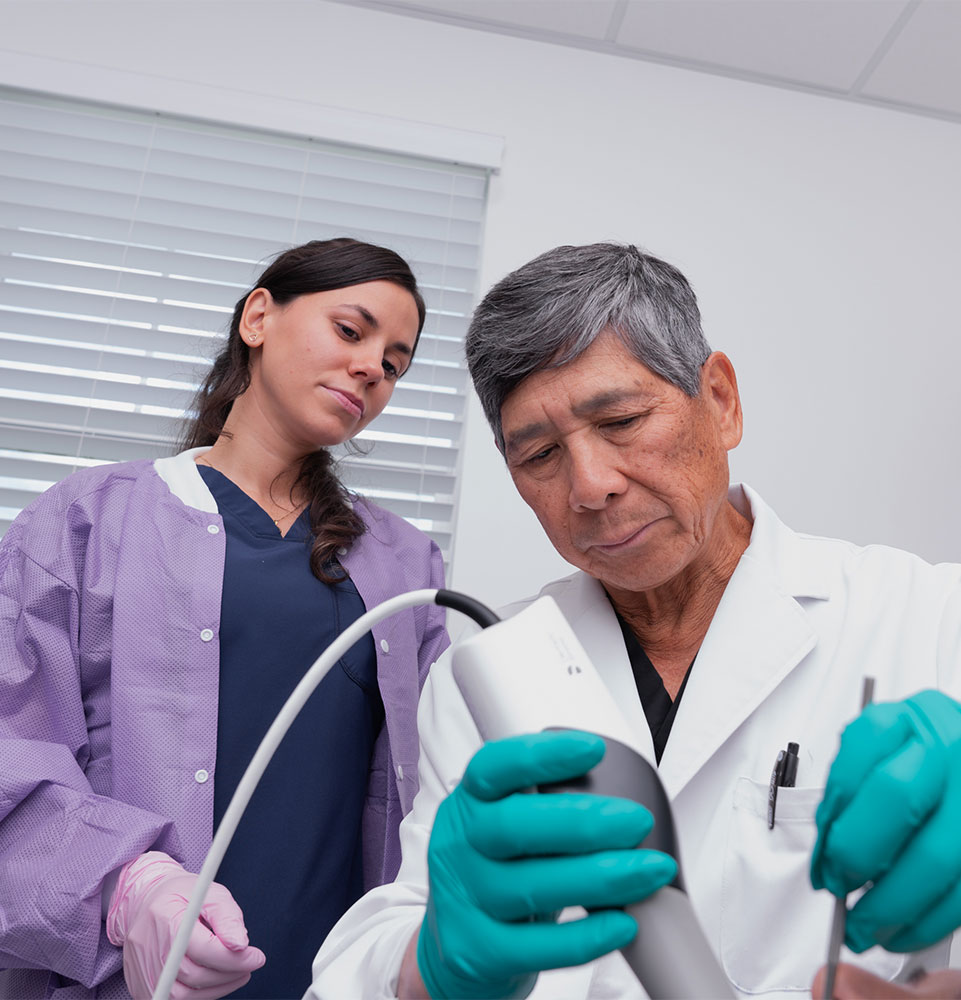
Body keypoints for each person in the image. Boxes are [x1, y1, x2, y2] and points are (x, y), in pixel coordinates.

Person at [308, 242, 961, 1000]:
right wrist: (434, 967)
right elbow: (374, 955)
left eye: (619, 419)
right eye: (540, 454)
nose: (589, 486)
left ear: (719, 400)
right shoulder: (485, 670)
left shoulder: (928, 614)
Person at [0, 238, 450, 1000]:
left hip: (329, 977)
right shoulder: (85, 522)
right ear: (258, 317)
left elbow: (441, 788)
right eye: (351, 331)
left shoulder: (406, 567)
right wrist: (127, 892)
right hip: (124, 977)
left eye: (396, 362)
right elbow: (11, 758)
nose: (374, 367)